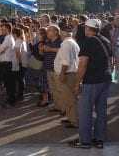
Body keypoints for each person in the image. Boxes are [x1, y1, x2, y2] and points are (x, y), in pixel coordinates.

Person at [70, 19, 112, 149]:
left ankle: (85, 141)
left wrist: (77, 83)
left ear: (88, 28)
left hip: (92, 81)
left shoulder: (89, 42)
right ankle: (99, 139)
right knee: (101, 111)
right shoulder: (106, 40)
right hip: (105, 79)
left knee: (85, 112)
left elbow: (83, 64)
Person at [54, 24, 80, 129]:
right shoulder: (73, 42)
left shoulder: (66, 43)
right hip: (72, 73)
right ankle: (71, 118)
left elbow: (66, 62)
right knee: (69, 98)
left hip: (68, 74)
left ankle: (74, 121)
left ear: (63, 33)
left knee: (70, 98)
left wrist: (62, 74)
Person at [43, 25, 63, 113]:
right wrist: (42, 49)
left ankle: (64, 108)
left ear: (55, 32)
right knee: (53, 89)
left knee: (60, 89)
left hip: (57, 69)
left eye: (49, 31)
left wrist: (50, 49)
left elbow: (62, 50)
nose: (47, 32)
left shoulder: (60, 41)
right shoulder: (48, 41)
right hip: (48, 67)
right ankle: (57, 106)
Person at [0, 23, 16, 107]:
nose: (1, 31)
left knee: (9, 84)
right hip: (7, 63)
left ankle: (10, 101)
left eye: (3, 29)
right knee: (9, 83)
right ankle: (10, 100)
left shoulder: (8, 38)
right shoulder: (9, 37)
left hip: (7, 63)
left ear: (7, 29)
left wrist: (0, 48)